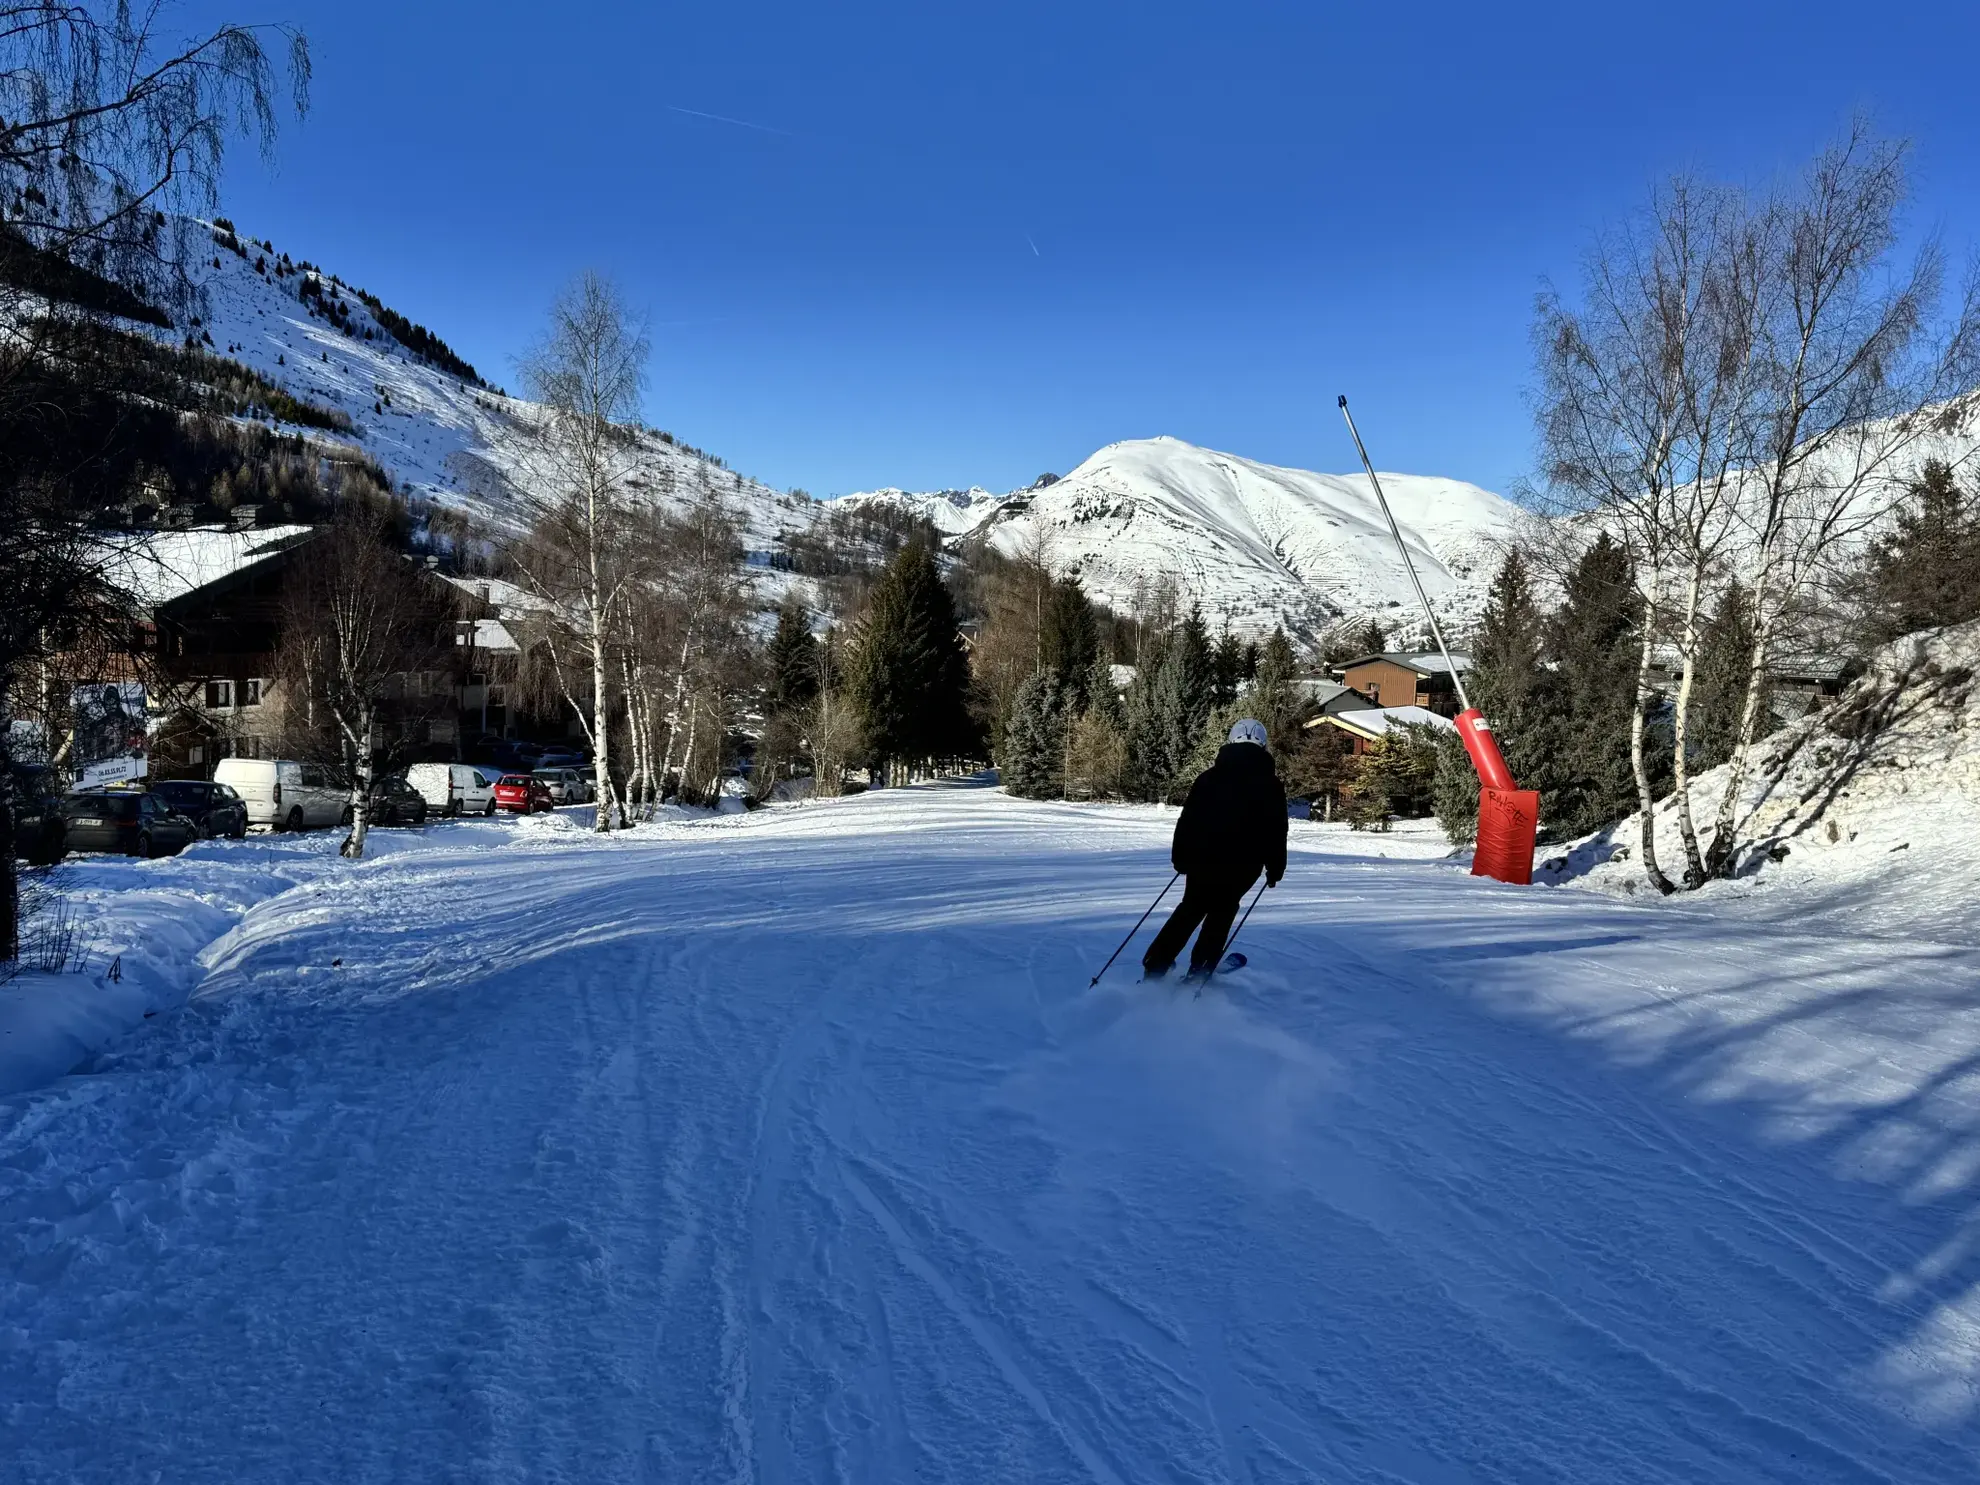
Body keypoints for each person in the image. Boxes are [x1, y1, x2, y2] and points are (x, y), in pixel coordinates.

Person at [1143, 718, 1288, 978]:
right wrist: (1275, 867)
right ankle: (1201, 968)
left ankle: (1157, 962)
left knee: (1191, 907)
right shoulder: (1271, 785)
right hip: (1245, 864)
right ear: (1263, 746)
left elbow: (1188, 820)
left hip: (1203, 859)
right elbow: (1276, 830)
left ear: (1230, 742)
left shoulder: (1209, 778)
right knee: (1223, 909)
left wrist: (1181, 857)